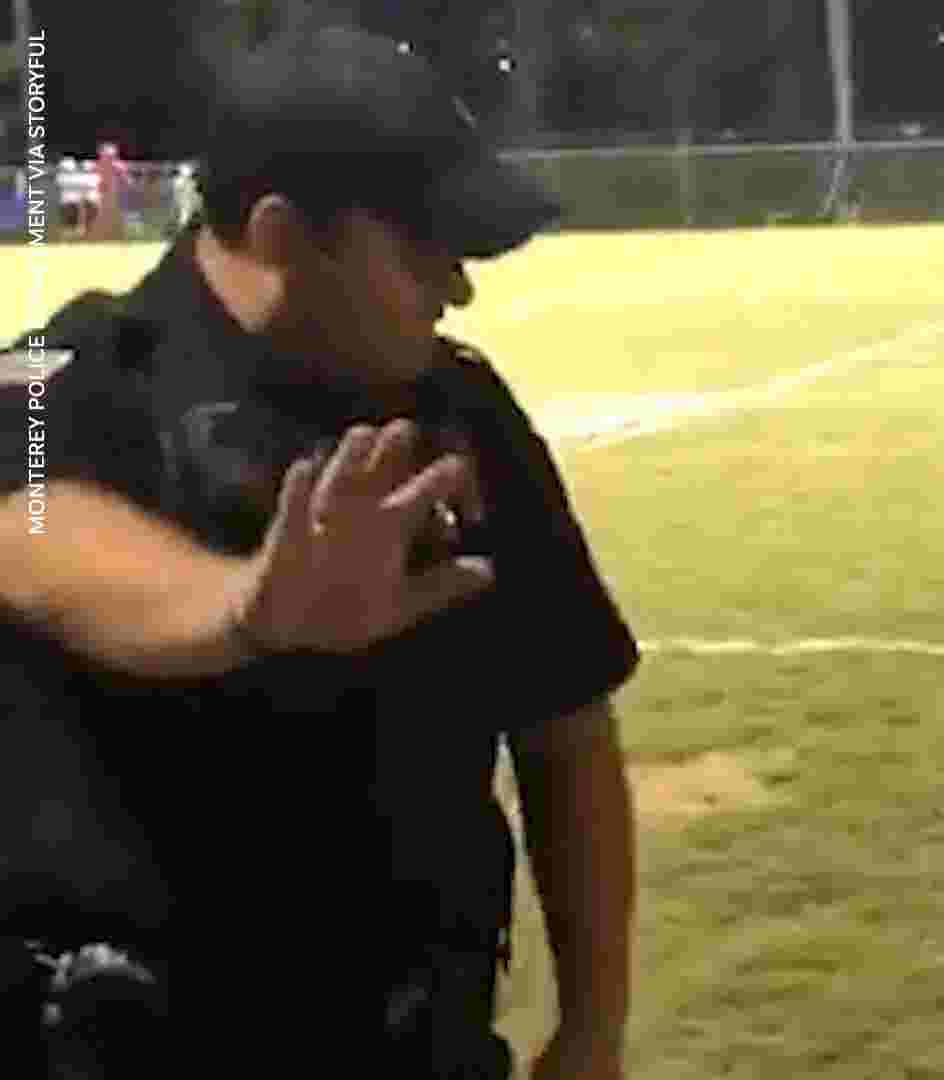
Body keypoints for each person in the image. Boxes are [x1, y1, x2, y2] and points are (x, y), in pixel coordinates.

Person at [0, 25, 636, 1079]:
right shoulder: (63, 383)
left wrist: (593, 1028)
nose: (458, 287)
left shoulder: (464, 413)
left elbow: (565, 729)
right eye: (424, 246)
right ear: (284, 233)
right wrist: (245, 609)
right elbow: (34, 538)